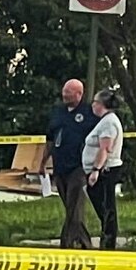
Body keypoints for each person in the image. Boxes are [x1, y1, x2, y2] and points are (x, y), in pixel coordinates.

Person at [48, 77, 94, 250]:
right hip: (60, 166)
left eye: (68, 92)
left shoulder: (88, 113)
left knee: (74, 205)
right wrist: (43, 161)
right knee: (70, 207)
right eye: (64, 91)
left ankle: (70, 244)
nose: (64, 95)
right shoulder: (58, 112)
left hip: (78, 166)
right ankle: (80, 241)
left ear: (79, 94)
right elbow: (50, 138)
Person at [83, 88, 125, 252]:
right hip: (103, 170)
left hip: (105, 171)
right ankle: (106, 240)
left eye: (95, 102)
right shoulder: (106, 121)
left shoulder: (108, 123)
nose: (92, 105)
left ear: (101, 104)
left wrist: (95, 170)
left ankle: (108, 243)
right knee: (104, 208)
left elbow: (105, 148)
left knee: (107, 208)